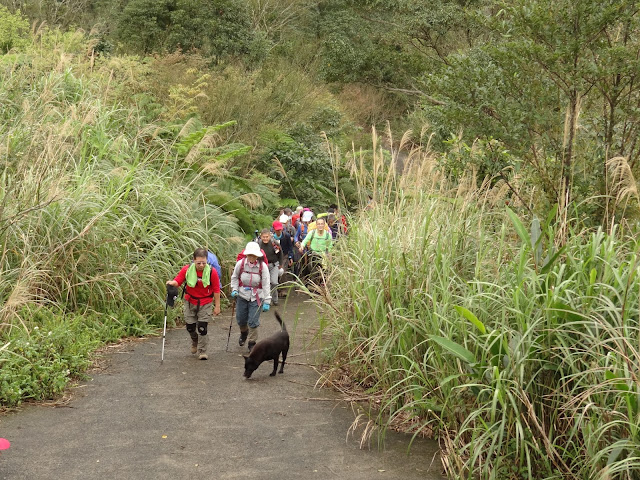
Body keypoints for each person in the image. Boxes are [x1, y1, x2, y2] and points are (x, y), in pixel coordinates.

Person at [166, 248, 222, 360]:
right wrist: (172, 283)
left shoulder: (212, 272)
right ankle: (194, 340)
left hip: (205, 302)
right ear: (194, 260)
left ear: (207, 260)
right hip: (190, 301)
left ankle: (202, 351)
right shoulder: (187, 269)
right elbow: (178, 281)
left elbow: (216, 290)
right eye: (198, 263)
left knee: (202, 327)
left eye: (204, 263)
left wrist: (217, 306)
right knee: (190, 327)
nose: (201, 265)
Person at [230, 242, 272, 352]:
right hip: (242, 295)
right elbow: (235, 277)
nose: (251, 258)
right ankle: (244, 332)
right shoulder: (240, 264)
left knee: (253, 321)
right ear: (246, 254)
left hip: (257, 296)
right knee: (241, 319)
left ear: (257, 256)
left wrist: (267, 301)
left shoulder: (263, 267)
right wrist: (234, 289)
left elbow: (266, 284)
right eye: (249, 255)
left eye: (254, 255)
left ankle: (252, 342)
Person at [298, 217, 333, 284]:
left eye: (322, 224)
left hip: (323, 257)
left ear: (324, 225)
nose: (320, 225)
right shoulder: (312, 233)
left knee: (323, 274)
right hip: (313, 255)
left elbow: (330, 248)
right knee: (313, 273)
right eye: (319, 224)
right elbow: (305, 241)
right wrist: (302, 246)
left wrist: (330, 260)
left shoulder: (327, 235)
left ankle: (321, 286)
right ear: (316, 225)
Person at [258, 228, 284, 305]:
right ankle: (265, 300)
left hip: (274, 265)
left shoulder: (274, 243)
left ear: (269, 236)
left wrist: (280, 264)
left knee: (274, 282)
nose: (265, 238)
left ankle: (275, 300)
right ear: (261, 237)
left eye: (267, 237)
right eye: (263, 237)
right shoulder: (258, 244)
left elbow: (280, 253)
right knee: (265, 283)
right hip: (263, 265)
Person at [272, 220, 294, 298]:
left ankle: (284, 289)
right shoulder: (271, 238)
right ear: (274, 229)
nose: (279, 231)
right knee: (275, 273)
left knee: (283, 271)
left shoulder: (286, 236)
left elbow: (290, 247)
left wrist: (290, 257)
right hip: (275, 257)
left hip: (285, 256)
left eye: (280, 229)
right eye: (277, 230)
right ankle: (277, 289)